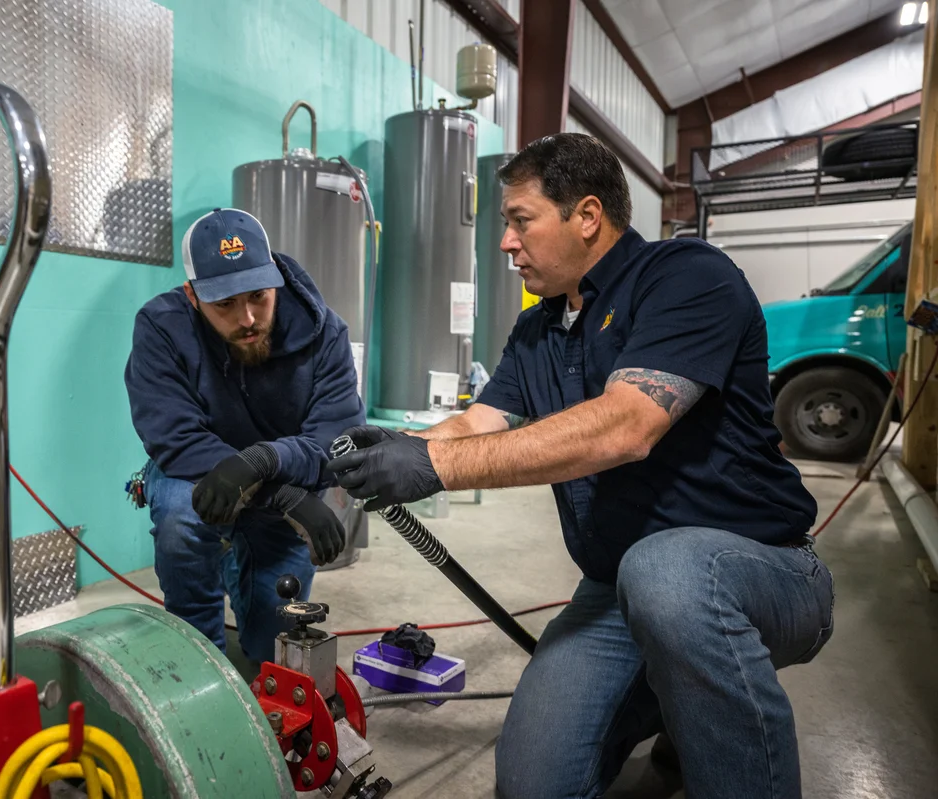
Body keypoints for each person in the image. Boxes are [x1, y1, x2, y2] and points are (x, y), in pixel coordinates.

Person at [328, 133, 833, 799]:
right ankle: (677, 695)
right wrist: (387, 451)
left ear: (587, 215)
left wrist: (440, 465)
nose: (506, 242)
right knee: (533, 782)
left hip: (763, 570)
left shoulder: (686, 277)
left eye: (519, 220)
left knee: (666, 573)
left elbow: (627, 425)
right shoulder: (538, 332)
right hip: (617, 591)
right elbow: (476, 423)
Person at [125, 207, 363, 664]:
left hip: (283, 474)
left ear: (274, 279)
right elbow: (173, 434)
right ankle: (198, 662)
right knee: (179, 517)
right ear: (192, 298)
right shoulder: (160, 327)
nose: (248, 318)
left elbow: (336, 437)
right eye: (225, 305)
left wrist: (262, 464)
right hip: (198, 474)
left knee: (271, 649)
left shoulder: (326, 333)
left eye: (258, 296)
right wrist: (286, 496)